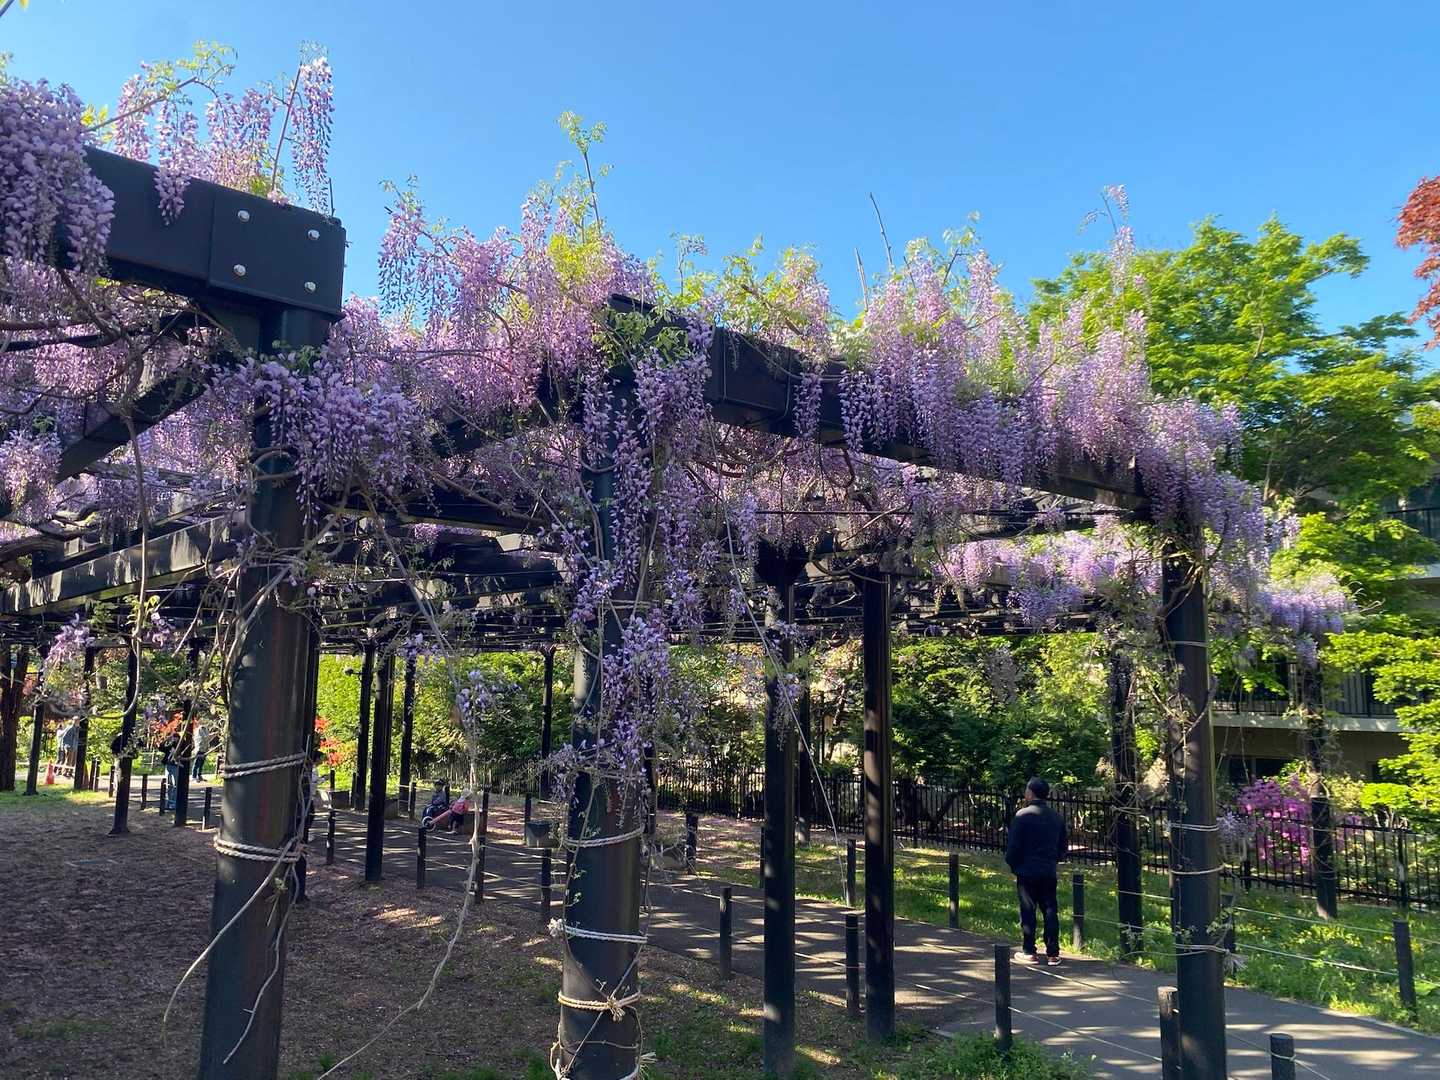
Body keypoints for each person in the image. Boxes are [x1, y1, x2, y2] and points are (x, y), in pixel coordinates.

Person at [1005, 776, 1068, 966]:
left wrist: (1014, 865)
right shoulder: (1056, 817)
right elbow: (1062, 847)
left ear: (1030, 793)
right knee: (1050, 910)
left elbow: (1013, 846)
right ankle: (1053, 952)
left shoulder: (1022, 816)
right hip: (1048, 870)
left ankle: (1029, 950)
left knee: (1028, 910)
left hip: (1026, 870)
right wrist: (1053, 860)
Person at [159, 731, 181, 812]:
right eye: (173, 737)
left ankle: (173, 803)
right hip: (168, 765)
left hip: (175, 766)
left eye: (176, 737)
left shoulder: (181, 746)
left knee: (175, 785)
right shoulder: (171, 745)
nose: (174, 739)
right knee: (169, 785)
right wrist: (167, 739)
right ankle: (169, 802)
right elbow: (161, 748)